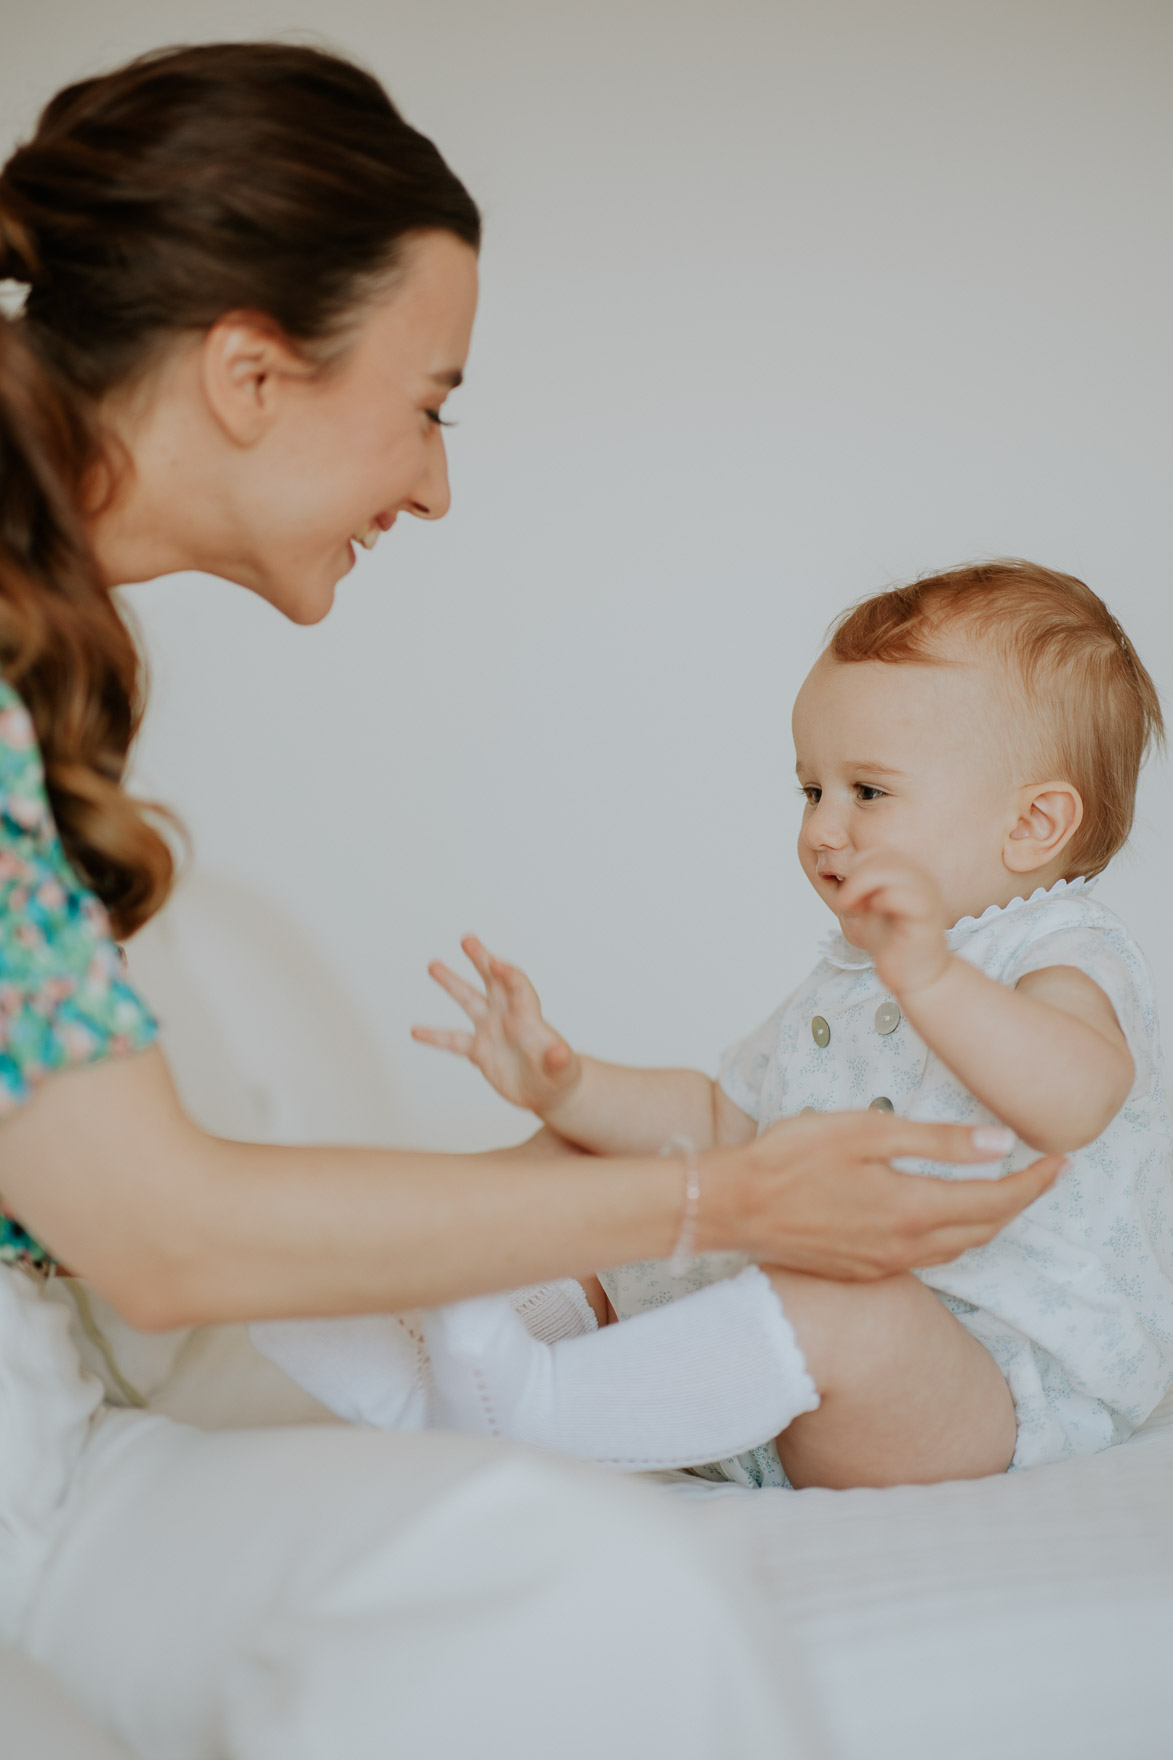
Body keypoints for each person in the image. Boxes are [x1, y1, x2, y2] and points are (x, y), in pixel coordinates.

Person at [0, 42, 1062, 1758]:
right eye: (429, 403)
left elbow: (100, 1186)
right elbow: (163, 1232)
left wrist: (552, 1175)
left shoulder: (42, 665)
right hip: (43, 1450)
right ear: (254, 375)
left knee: (586, 1596)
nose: (433, 483)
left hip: (68, 1436)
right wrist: (718, 1202)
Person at [352, 562, 1169, 1491]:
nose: (823, 829)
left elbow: (1075, 1098)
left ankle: (546, 1410)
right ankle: (429, 1342)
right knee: (594, 1183)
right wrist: (568, 1084)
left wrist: (930, 976)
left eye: (867, 792)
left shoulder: (1058, 950)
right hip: (775, 1361)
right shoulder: (858, 970)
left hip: (981, 1387)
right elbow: (721, 1124)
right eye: (809, 791)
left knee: (839, 1309)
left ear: (1032, 824)